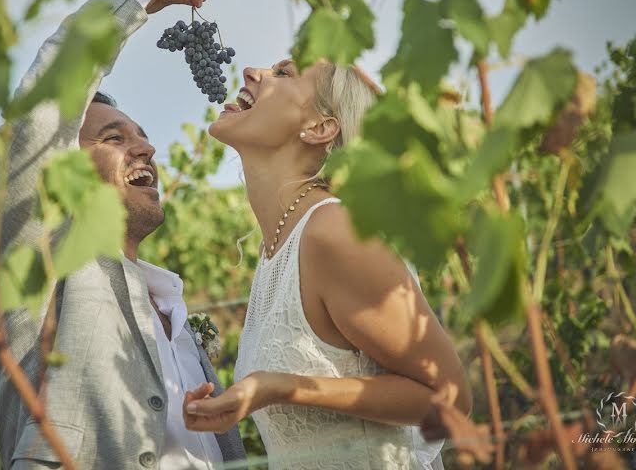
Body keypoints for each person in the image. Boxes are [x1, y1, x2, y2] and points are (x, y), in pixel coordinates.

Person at [0, 0, 246, 469]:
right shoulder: (33, 264)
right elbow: (41, 116)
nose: (146, 150)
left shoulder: (169, 306)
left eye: (144, 136)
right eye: (114, 138)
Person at [182, 59, 472, 469]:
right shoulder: (277, 250)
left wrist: (283, 388)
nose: (250, 71)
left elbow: (452, 397)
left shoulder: (333, 232)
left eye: (284, 74)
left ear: (320, 128)